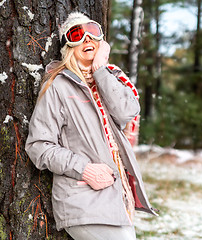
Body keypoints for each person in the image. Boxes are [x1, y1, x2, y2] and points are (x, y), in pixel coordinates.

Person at [25, 12, 157, 240]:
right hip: (82, 199)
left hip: (116, 199)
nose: (86, 39)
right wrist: (84, 168)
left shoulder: (111, 79)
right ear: (68, 46)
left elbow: (127, 112)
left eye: (92, 32)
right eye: (77, 34)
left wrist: (100, 69)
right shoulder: (59, 86)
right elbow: (38, 146)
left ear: (102, 43)